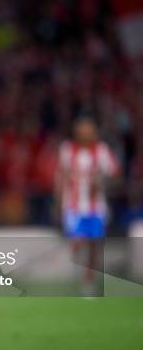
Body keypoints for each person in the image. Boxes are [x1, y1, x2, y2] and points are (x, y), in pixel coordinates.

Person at [55, 116, 119, 296]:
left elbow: (115, 175)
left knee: (93, 245)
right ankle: (79, 274)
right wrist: (58, 204)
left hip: (95, 207)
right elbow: (61, 176)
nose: (86, 133)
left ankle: (88, 282)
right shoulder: (67, 150)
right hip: (73, 206)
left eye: (89, 130)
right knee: (77, 242)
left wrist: (102, 182)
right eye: (83, 130)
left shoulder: (101, 150)